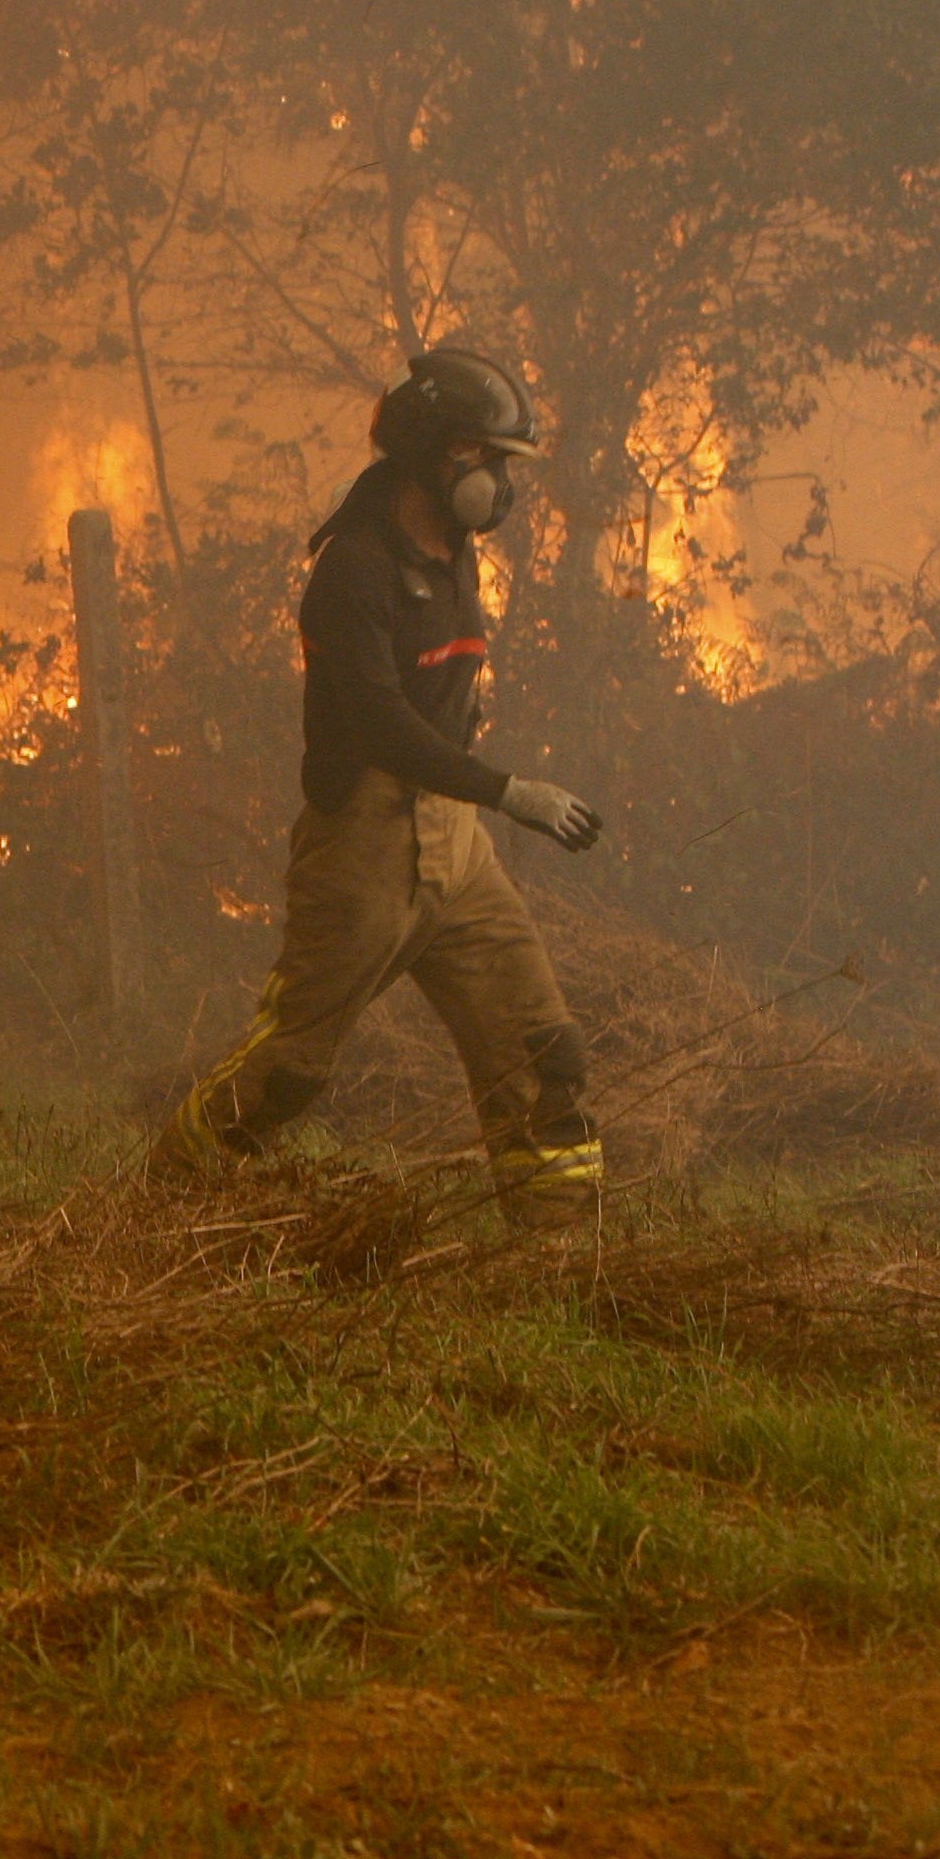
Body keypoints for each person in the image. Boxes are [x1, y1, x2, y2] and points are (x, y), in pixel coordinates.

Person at [150, 347, 610, 1229]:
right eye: (492, 461)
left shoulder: (457, 551)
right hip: (362, 847)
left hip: (456, 851)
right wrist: (510, 791)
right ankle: (164, 1204)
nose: (503, 486)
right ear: (440, 454)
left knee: (544, 1052)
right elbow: (380, 724)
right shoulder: (353, 569)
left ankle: (561, 1259)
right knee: (289, 1073)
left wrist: (474, 802)